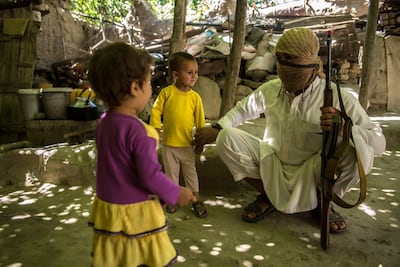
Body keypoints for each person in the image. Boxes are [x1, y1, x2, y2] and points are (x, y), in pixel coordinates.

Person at [195, 28, 386, 233]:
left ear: (311, 65)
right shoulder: (272, 88)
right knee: (226, 137)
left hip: (313, 169)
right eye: (281, 59)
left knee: (362, 154)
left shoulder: (339, 96)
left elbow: (379, 143)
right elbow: (242, 110)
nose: (285, 66)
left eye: (292, 60)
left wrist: (345, 128)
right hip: (272, 162)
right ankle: (268, 195)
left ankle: (322, 201)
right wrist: (216, 128)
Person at [87, 42, 196, 267]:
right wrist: (175, 192)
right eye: (148, 83)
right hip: (134, 213)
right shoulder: (140, 131)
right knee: (143, 257)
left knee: (118, 258)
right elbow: (149, 176)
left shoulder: (103, 123)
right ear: (136, 87)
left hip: (109, 209)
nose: (149, 88)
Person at [150, 52, 208, 218]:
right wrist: (156, 128)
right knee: (171, 175)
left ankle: (196, 199)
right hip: (169, 145)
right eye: (189, 72)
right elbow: (156, 110)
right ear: (176, 75)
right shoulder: (166, 93)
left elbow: (200, 122)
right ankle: (172, 199)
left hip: (187, 145)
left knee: (191, 173)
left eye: (196, 72)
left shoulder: (195, 98)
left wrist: (200, 141)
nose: (194, 76)